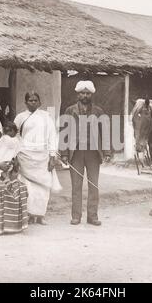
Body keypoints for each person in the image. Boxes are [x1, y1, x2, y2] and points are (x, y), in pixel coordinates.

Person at [60, 80, 111, 226]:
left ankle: (92, 216)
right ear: (78, 94)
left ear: (91, 94)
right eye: (82, 93)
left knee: (93, 185)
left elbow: (105, 133)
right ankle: (76, 216)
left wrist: (106, 151)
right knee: (76, 186)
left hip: (93, 153)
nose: (85, 96)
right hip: (75, 153)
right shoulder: (70, 111)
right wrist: (64, 153)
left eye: (87, 93)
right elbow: (64, 133)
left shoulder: (98, 112)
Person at [14, 92, 61, 225]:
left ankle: (40, 215)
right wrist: (15, 155)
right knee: (27, 186)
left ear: (40, 102)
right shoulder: (20, 117)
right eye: (30, 100)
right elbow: (15, 136)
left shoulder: (46, 117)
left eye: (35, 100)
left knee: (43, 186)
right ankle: (28, 214)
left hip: (42, 155)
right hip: (25, 155)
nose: (33, 103)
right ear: (25, 102)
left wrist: (52, 156)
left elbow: (52, 136)